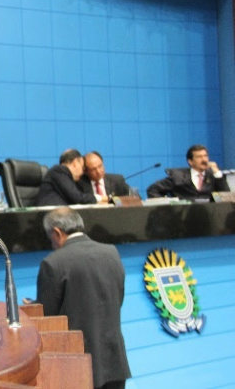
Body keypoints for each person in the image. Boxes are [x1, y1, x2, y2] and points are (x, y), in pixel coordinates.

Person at [34, 208, 131, 389]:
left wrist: (34, 307)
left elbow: (47, 319)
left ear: (56, 233)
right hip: (114, 360)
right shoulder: (111, 252)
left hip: (77, 365)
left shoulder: (53, 263)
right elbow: (118, 299)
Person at [147, 144, 230, 201]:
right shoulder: (178, 176)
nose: (204, 160)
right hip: (183, 219)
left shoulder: (214, 176)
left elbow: (226, 196)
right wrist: (168, 205)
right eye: (199, 157)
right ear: (190, 161)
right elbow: (152, 190)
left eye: (205, 156)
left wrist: (217, 173)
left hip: (208, 218)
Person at [36, 149, 106, 206]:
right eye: (82, 168)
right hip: (49, 215)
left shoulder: (66, 176)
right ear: (75, 163)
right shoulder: (59, 170)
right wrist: (100, 198)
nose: (82, 173)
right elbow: (77, 198)